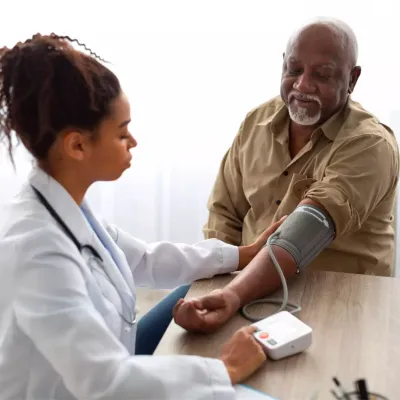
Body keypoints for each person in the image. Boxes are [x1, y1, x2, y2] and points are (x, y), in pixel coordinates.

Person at [0, 34, 286, 400]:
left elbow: (146, 259)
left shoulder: (67, 207)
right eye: (122, 133)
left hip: (113, 363)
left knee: (196, 287)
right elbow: (105, 383)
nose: (133, 142)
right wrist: (223, 369)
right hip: (91, 388)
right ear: (77, 145)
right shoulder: (36, 251)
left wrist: (243, 254)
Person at [173, 18, 399, 334]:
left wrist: (232, 295)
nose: (302, 85)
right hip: (239, 283)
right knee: (147, 349)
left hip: (337, 302)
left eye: (322, 74)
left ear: (352, 80)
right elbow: (224, 213)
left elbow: (306, 230)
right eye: (294, 70)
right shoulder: (257, 121)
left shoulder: (369, 144)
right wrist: (218, 282)